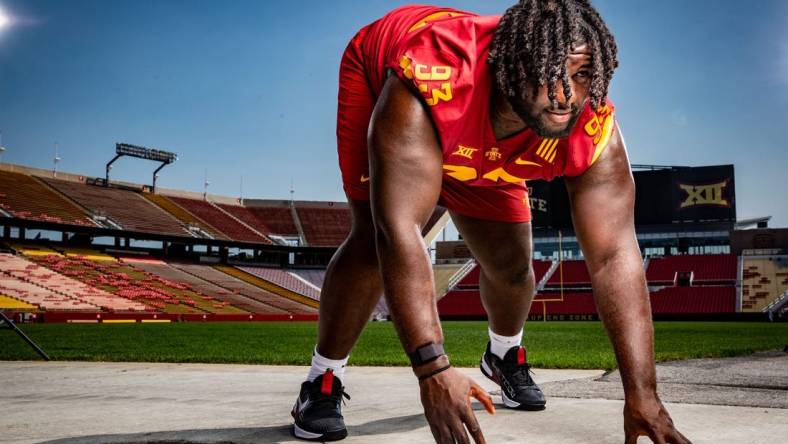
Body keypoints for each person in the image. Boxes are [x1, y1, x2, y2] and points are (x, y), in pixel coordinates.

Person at [290, 1, 691, 443]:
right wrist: (433, 369)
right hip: (394, 80)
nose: (565, 97)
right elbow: (398, 231)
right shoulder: (430, 78)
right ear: (512, 67)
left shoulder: (591, 124)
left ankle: (504, 355)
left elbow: (615, 255)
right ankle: (322, 381)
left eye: (580, 76)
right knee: (371, 241)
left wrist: (642, 395)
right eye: (549, 72)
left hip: (485, 130)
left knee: (514, 268)